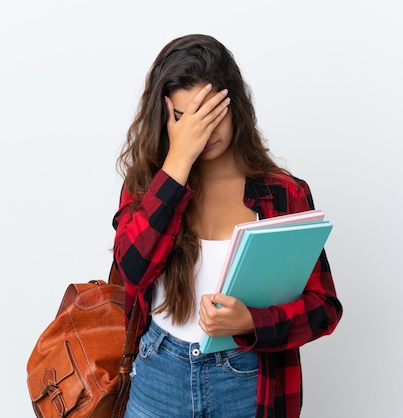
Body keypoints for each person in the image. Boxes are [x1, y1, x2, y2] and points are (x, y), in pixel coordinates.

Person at [112, 34, 342, 418]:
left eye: (213, 113)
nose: (203, 131)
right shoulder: (147, 187)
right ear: (166, 120)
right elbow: (132, 269)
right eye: (185, 119)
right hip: (158, 377)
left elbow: (324, 308)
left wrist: (252, 321)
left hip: (248, 380)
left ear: (235, 105)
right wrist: (178, 162)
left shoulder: (282, 194)